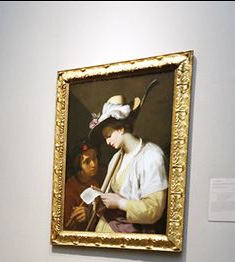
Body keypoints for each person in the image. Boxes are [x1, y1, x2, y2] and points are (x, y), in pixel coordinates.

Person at [88, 80, 168, 233]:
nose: (107, 142)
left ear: (121, 129)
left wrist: (120, 203)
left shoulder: (152, 156)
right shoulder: (116, 158)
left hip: (132, 234)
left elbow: (154, 209)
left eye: (109, 135)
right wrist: (101, 196)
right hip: (107, 227)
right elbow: (111, 195)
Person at [63, 142, 101, 231]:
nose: (93, 164)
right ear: (78, 165)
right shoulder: (69, 190)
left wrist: (90, 215)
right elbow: (67, 226)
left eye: (94, 158)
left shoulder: (94, 182)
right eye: (87, 161)